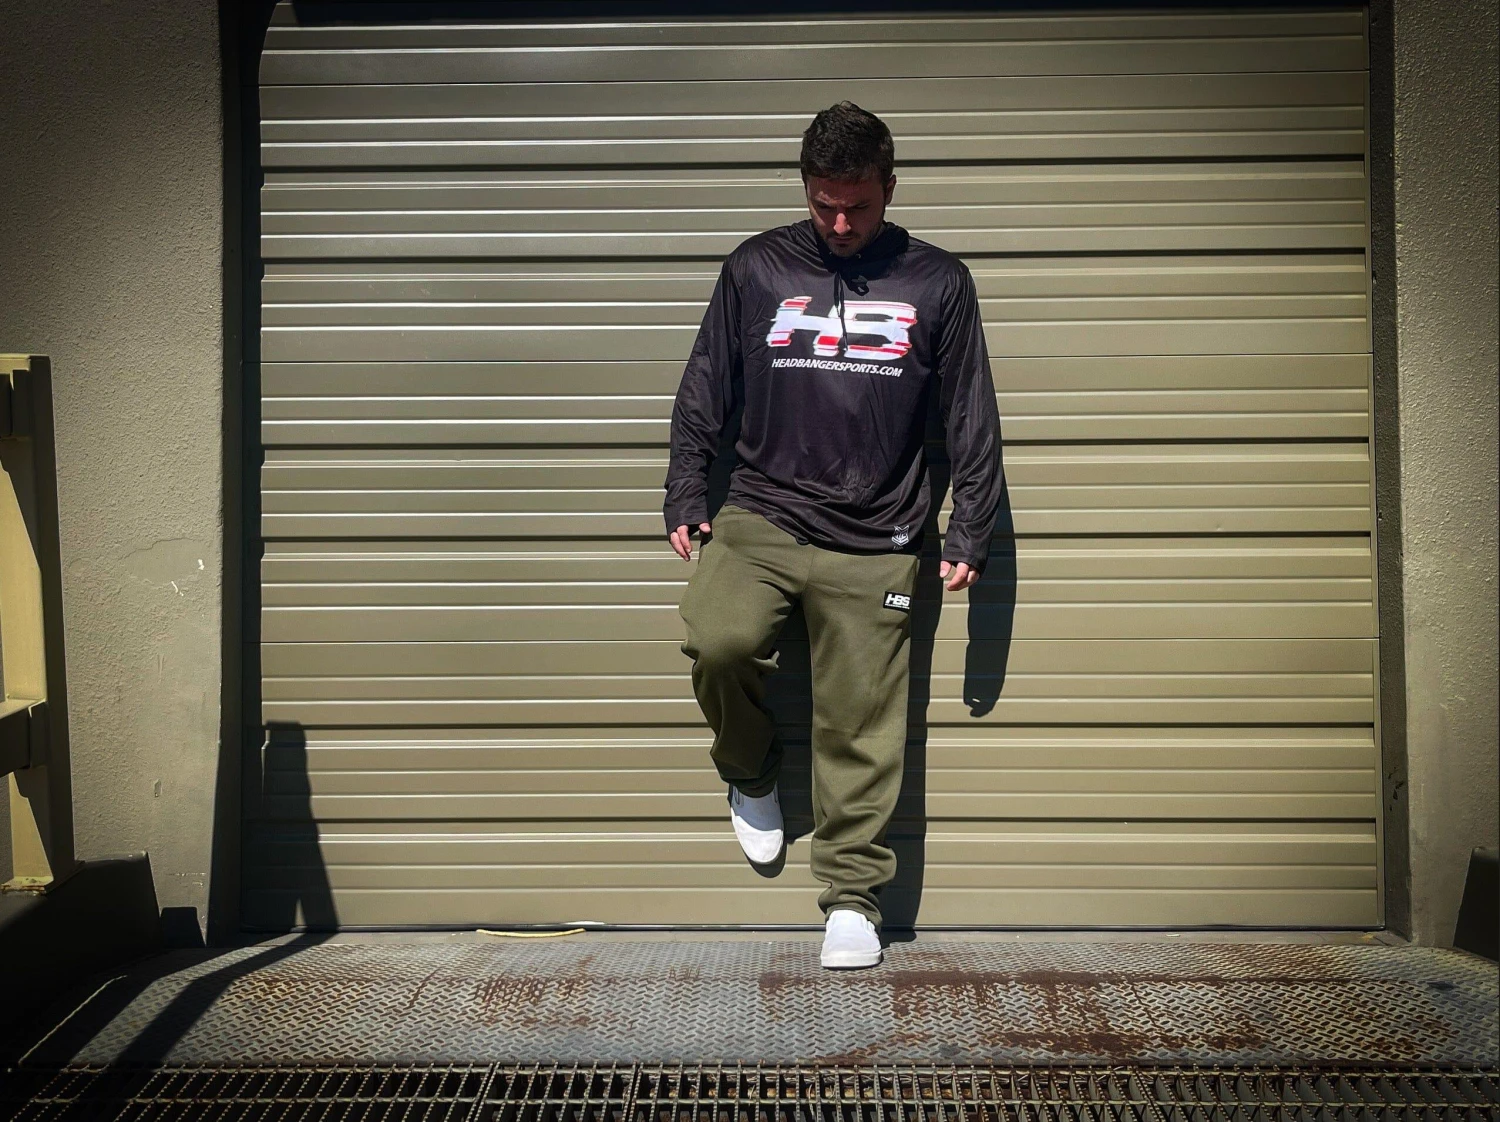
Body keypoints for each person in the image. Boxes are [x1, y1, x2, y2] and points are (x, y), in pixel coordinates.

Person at [663, 102, 1003, 968]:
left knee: (861, 722)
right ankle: (750, 771)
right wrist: (685, 489)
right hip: (762, 514)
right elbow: (705, 386)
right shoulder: (757, 268)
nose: (841, 224)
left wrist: (970, 527)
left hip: (879, 532)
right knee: (719, 641)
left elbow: (971, 415)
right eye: (824, 205)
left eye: (857, 205)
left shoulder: (937, 282)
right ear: (806, 190)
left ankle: (852, 899)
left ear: (889, 187)